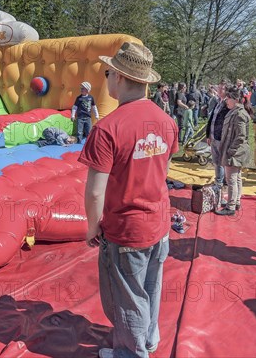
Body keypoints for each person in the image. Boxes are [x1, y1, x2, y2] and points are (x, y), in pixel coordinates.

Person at [79, 42, 178, 358]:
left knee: (127, 299)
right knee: (151, 287)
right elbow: (163, 169)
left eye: (108, 72)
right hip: (159, 222)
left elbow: (95, 190)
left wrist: (93, 227)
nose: (106, 78)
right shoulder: (166, 121)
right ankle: (148, 339)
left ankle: (132, 353)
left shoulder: (108, 128)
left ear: (119, 78)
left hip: (126, 229)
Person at [215, 86, 251, 215]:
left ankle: (230, 207)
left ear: (235, 99)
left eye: (228, 98)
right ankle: (236, 201)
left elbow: (241, 136)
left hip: (235, 152)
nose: (226, 101)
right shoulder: (235, 111)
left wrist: (231, 150)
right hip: (234, 151)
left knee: (231, 179)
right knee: (237, 178)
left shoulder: (239, 114)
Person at [206, 80, 230, 188]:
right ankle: (220, 180)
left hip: (221, 137)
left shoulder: (228, 104)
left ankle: (220, 182)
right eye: (218, 88)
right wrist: (208, 135)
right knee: (216, 160)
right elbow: (211, 119)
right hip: (213, 136)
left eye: (222, 88)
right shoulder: (218, 101)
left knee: (220, 160)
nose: (219, 90)